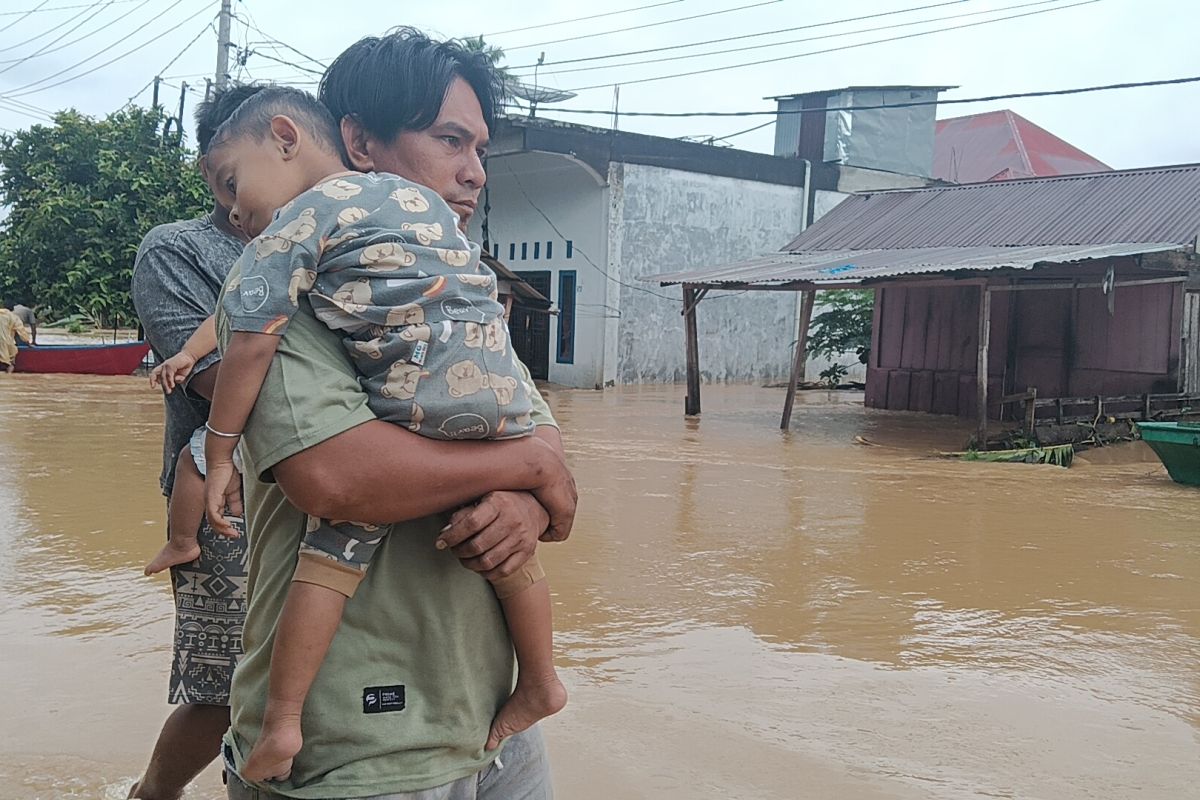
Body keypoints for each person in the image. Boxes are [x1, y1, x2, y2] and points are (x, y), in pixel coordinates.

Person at [155, 86, 566, 782]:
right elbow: (340, 477)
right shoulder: (441, 250)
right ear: (359, 142)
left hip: (484, 720)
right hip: (362, 749)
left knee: (333, 553)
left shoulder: (300, 238)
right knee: (490, 543)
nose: (473, 172)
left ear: (286, 139)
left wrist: (218, 453)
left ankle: (282, 721)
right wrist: (527, 472)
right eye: (449, 141)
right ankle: (543, 679)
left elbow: (552, 478)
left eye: (231, 185)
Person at [128, 82, 265, 800]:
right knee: (227, 687)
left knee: (312, 674)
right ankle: (153, 795)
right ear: (214, 167)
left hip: (335, 484)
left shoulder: (332, 238)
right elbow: (212, 379)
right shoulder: (177, 249)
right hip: (224, 494)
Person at [0, 299, 33, 372]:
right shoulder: (14, 317)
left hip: (4, 343)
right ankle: (9, 374)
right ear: (13, 309)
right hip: (6, 343)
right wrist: (28, 342)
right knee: (11, 363)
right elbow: (21, 331)